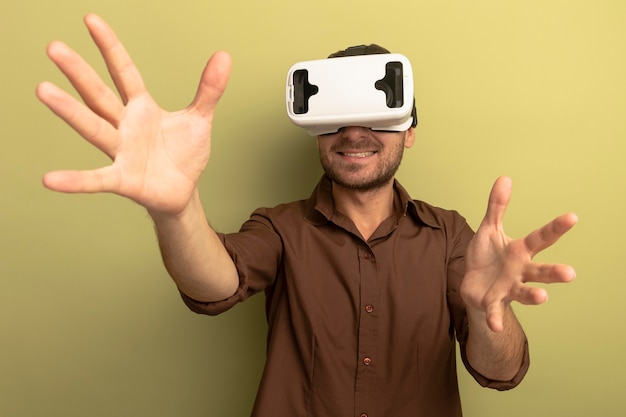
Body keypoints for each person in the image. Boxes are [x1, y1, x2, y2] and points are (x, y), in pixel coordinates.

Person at [37, 14, 578, 417]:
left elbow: (500, 372)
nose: (355, 131)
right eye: (337, 116)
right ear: (317, 129)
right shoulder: (280, 228)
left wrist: (489, 316)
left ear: (410, 132)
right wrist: (176, 210)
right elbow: (213, 284)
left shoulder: (452, 237)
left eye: (378, 114)